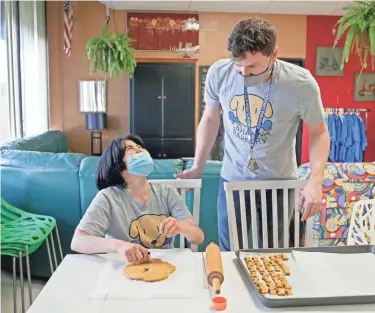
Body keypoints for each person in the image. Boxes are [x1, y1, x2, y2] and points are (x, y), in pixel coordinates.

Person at [176, 17, 330, 251]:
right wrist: (198, 165)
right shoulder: (220, 73)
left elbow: (319, 132)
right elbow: (210, 118)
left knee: (274, 253)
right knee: (230, 251)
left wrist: (315, 182)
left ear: (274, 54)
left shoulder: (300, 83)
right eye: (238, 65)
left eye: (253, 67)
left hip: (279, 183)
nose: (244, 73)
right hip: (233, 178)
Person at [71, 133, 204, 263]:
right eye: (130, 148)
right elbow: (78, 241)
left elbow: (198, 237)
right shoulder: (107, 198)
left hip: (163, 266)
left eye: (140, 146)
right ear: (118, 165)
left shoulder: (167, 192)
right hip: (123, 268)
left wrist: (181, 227)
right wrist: (119, 246)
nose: (140, 150)